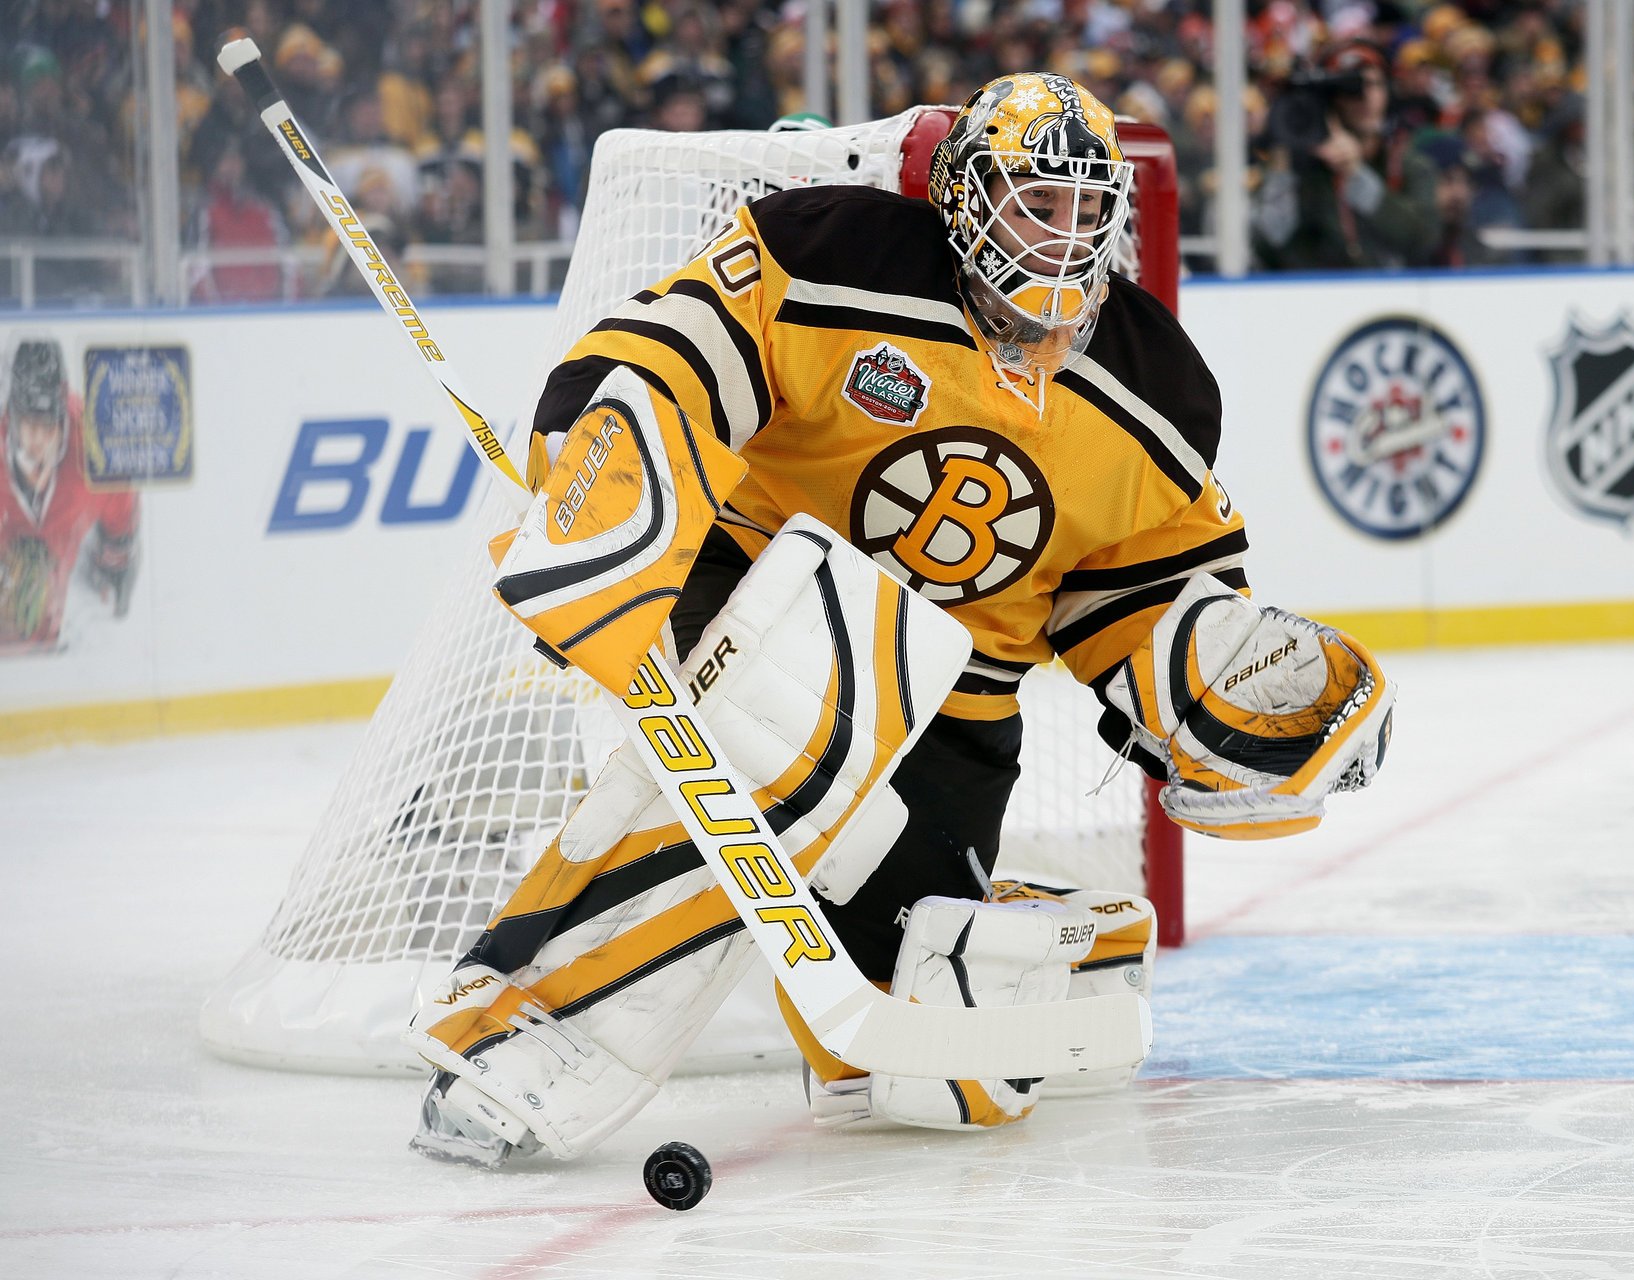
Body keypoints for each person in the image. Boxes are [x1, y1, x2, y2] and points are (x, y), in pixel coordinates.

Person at [401, 73, 1395, 1167]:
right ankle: (527, 1036)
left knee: (932, 1072)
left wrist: (1202, 669)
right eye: (1035, 202)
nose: (1063, 236)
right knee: (783, 732)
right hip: (755, 588)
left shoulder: (1161, 387)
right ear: (965, 197)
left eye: (1084, 208)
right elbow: (673, 350)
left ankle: (1034, 943)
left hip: (961, 702)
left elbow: (1135, 584)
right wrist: (611, 465)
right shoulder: (834, 253)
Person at [0, 340, 138, 654]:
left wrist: (114, 560)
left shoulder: (95, 449)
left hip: (65, 574)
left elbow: (122, 513)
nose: (38, 440)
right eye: (28, 424)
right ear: (11, 415)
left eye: (48, 425)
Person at [1253, 40, 1441, 271]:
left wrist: (1356, 173)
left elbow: (1423, 239)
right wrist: (1281, 164)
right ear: (1331, 98)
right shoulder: (1302, 168)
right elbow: (1269, 243)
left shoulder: (1408, 164)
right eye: (1352, 88)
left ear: (1388, 92)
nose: (1366, 97)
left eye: (1375, 84)